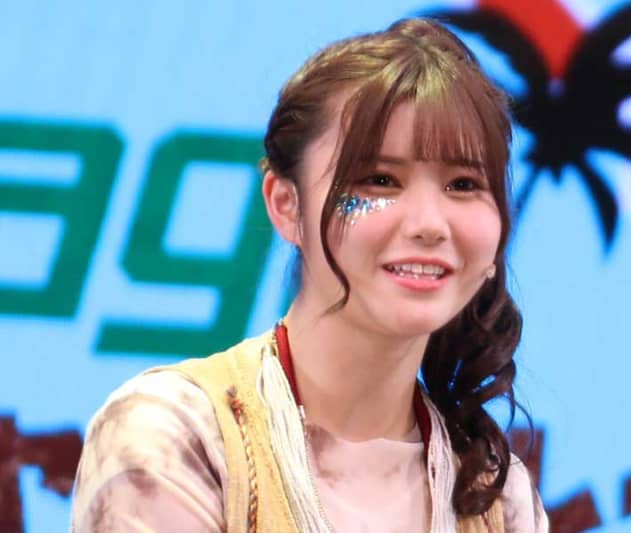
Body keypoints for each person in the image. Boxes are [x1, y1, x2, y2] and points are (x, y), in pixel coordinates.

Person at [71, 17, 549, 533]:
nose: (430, 224)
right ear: (286, 204)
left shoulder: (494, 496)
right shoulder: (177, 437)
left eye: (462, 184)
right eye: (380, 180)